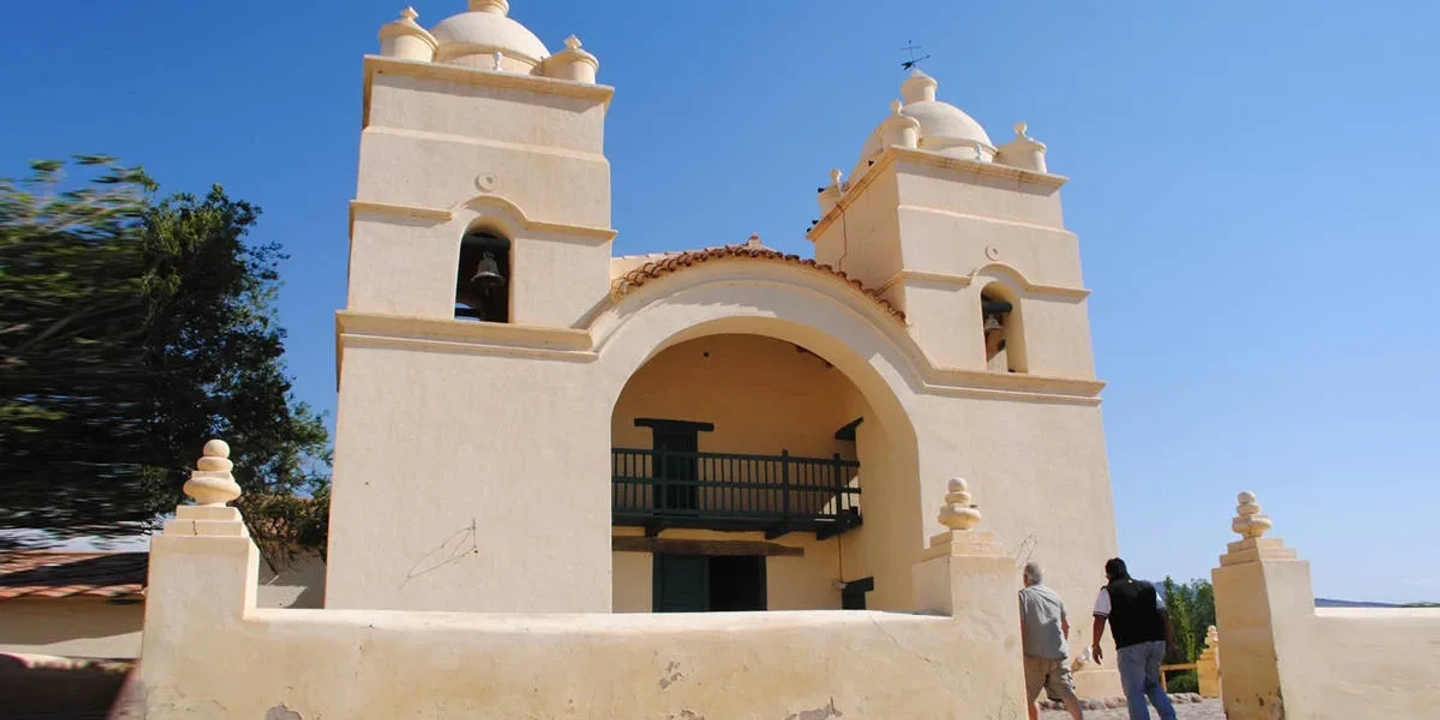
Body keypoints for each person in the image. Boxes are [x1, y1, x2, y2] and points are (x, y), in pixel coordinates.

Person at [1090, 558, 1177, 720]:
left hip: (1130, 645)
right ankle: (1169, 717)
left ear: (1108, 574)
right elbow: (1164, 614)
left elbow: (1099, 619)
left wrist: (1096, 645)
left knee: (1134, 691)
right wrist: (1170, 642)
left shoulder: (1108, 590)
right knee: (1152, 684)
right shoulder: (1148, 587)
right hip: (1156, 642)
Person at [1018, 561, 1083, 720]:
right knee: (1067, 693)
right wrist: (1062, 646)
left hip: (1034, 655)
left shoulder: (1023, 596)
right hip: (1058, 654)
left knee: (1028, 696)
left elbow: (1021, 625)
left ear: (1026, 578)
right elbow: (1066, 626)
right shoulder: (1055, 596)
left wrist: (1020, 651)